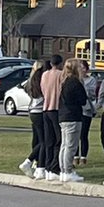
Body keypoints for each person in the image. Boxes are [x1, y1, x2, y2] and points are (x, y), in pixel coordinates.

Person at [58, 59, 88, 182]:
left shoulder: (64, 81)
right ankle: (68, 171)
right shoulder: (75, 82)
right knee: (71, 146)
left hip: (63, 116)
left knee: (64, 145)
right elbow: (83, 99)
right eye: (79, 67)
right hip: (73, 116)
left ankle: (63, 170)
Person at [37, 54, 64, 182]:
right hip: (56, 108)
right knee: (59, 139)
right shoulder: (61, 75)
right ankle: (54, 167)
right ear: (60, 63)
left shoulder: (44, 75)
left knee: (49, 140)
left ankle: (47, 167)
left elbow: (43, 89)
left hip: (45, 108)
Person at [19, 60, 48, 176]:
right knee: (44, 141)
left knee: (37, 138)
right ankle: (29, 161)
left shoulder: (31, 81)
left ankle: (36, 161)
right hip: (40, 111)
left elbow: (25, 88)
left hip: (32, 111)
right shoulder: (42, 80)